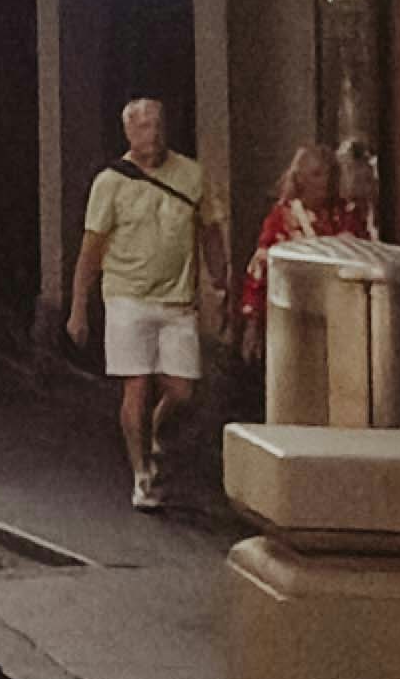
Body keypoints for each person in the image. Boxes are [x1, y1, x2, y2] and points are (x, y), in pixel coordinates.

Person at [66, 95, 217, 517]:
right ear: (129, 132)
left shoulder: (191, 175)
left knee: (182, 390)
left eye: (159, 124)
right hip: (126, 297)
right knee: (136, 385)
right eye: (146, 126)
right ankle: (142, 474)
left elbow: (210, 229)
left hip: (177, 299)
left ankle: (153, 430)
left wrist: (220, 278)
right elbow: (91, 250)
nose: (155, 134)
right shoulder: (110, 182)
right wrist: (78, 307)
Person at [222, 119, 377, 419]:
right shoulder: (283, 217)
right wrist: (252, 322)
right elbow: (260, 267)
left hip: (344, 319)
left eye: (329, 174)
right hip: (297, 320)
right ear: (300, 179)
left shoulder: (348, 215)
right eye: (316, 174)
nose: (325, 182)